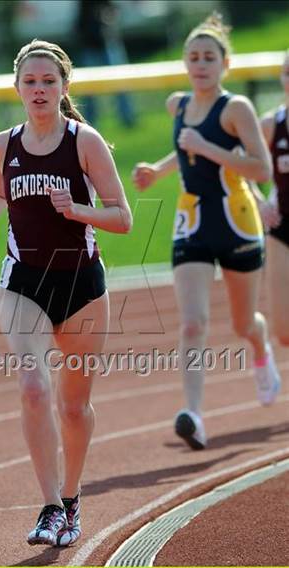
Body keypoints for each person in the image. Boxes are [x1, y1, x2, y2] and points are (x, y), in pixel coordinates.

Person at [0, 39, 132, 546]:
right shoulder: (1, 145)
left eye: (48, 81)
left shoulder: (85, 142)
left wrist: (77, 210)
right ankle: (51, 506)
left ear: (63, 87)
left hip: (81, 284)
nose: (39, 90)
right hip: (24, 281)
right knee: (34, 387)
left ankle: (72, 498)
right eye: (30, 82)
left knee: (73, 407)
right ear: (16, 88)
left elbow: (123, 217)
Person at [132, 13, 281, 451]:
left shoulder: (237, 108)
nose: (200, 64)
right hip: (192, 222)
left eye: (209, 57)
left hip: (236, 218)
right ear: (185, 63)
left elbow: (262, 168)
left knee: (242, 322)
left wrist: (209, 148)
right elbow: (184, 150)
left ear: (224, 64)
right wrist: (157, 171)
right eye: (193, 57)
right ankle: (194, 414)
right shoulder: (177, 105)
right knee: (193, 323)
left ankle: (260, 348)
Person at [259, 51, 289, 346]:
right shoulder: (270, 125)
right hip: (282, 227)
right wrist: (259, 202)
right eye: (287, 73)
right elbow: (240, 167)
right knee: (283, 331)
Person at [75, 0, 136, 127]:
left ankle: (127, 118)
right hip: (89, 43)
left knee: (120, 82)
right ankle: (88, 122)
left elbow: (113, 10)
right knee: (88, 88)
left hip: (107, 42)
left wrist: (108, 18)